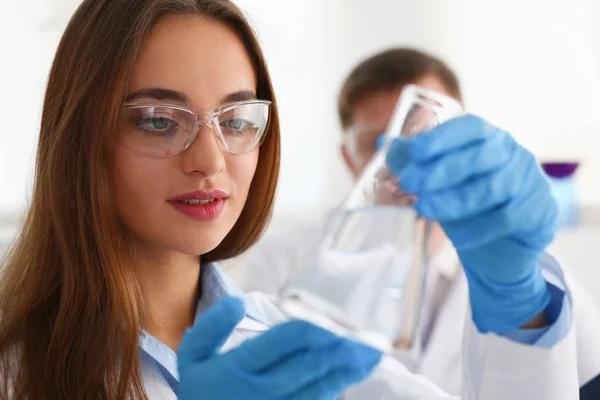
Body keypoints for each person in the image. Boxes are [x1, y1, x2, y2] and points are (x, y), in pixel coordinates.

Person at [0, 1, 579, 398]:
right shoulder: (14, 368)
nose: (210, 160)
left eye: (236, 119)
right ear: (81, 138)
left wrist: (520, 306)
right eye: (157, 120)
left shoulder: (301, 355)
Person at [237, 48, 600, 396]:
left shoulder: (522, 268)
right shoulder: (284, 262)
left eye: (424, 136)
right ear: (349, 159)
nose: (402, 165)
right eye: (378, 144)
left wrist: (523, 307)